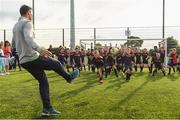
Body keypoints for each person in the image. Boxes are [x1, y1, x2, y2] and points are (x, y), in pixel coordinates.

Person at [11, 5, 79, 116]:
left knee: (43, 82)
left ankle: (47, 109)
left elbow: (13, 42)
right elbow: (29, 38)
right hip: (32, 57)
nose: (31, 15)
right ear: (28, 12)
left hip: (24, 61)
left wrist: (16, 54)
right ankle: (69, 78)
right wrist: (41, 49)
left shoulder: (15, 26)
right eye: (31, 13)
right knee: (56, 63)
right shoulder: (27, 23)